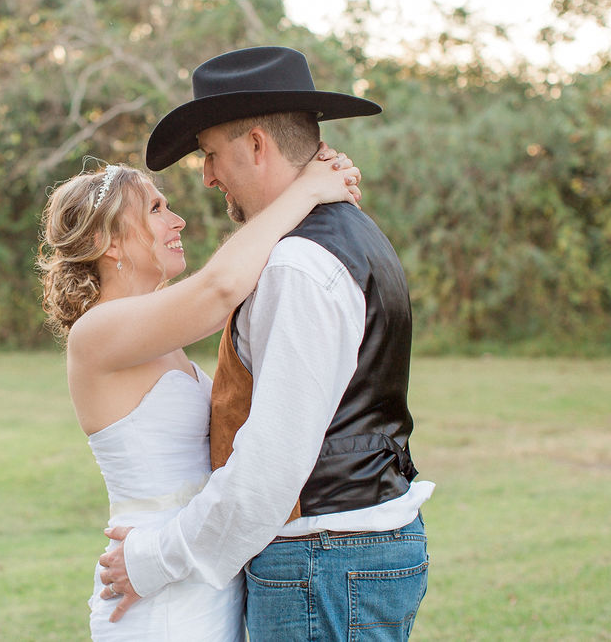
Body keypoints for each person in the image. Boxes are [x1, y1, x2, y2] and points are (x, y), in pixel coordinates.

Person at [96, 46, 435, 640]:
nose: (205, 176)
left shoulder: (297, 264)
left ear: (256, 145)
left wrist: (154, 559)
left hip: (322, 561)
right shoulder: (345, 232)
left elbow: (270, 469)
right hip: (344, 555)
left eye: (210, 154)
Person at [38, 150, 362, 639]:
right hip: (156, 588)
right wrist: (309, 188)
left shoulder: (157, 336)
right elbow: (221, 288)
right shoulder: (96, 334)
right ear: (108, 242)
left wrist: (312, 181)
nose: (178, 220)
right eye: (155, 209)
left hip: (198, 567)